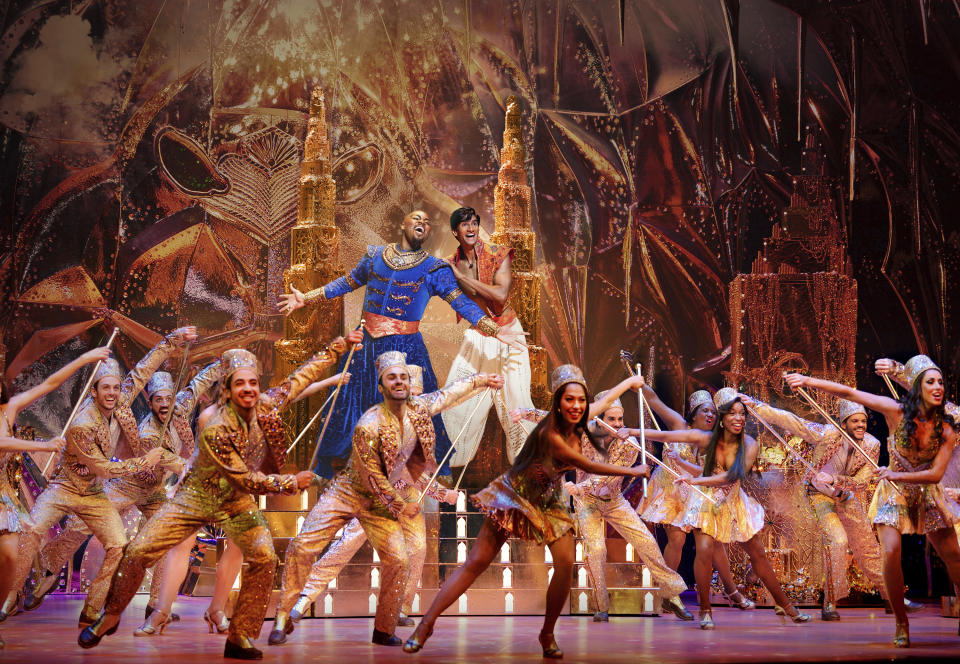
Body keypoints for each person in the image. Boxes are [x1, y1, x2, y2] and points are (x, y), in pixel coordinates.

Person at [79, 334, 357, 660]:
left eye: (253, 382)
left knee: (264, 556)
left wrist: (340, 345)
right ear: (227, 388)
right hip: (196, 495)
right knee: (140, 549)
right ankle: (112, 615)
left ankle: (239, 635)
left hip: (235, 500)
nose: (249, 389)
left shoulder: (265, 404)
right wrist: (290, 483)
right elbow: (243, 476)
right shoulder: (214, 423)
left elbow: (301, 378)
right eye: (241, 383)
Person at [403, 365, 651, 658]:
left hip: (548, 501)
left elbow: (602, 403)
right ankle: (426, 624)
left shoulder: (579, 420)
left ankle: (547, 634)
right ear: (558, 401)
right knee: (476, 562)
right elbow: (586, 465)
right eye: (569, 400)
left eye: (581, 400)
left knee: (564, 563)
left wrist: (629, 382)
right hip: (515, 495)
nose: (576, 406)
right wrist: (633, 470)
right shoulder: (551, 432)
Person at [271, 352, 500, 647]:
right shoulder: (369, 423)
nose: (401, 382)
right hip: (352, 492)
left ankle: (385, 627)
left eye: (404, 377)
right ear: (381, 386)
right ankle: (286, 613)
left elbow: (449, 394)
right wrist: (403, 506)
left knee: (401, 558)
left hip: (388, 501)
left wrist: (483, 380)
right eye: (393, 377)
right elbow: (373, 478)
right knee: (304, 546)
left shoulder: (420, 411)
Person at [277, 208, 526, 478]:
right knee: (346, 405)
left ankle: (427, 478)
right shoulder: (374, 256)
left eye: (427, 221)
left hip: (407, 350)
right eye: (417, 218)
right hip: (366, 346)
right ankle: (331, 475)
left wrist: (492, 328)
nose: (422, 222)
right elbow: (346, 283)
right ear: (403, 224)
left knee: (418, 413)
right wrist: (307, 297)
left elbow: (461, 302)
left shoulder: (434, 268)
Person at [138, 369, 352, 636]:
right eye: (236, 385)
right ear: (224, 390)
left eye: (249, 384)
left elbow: (292, 391)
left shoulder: (256, 406)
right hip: (205, 486)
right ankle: (160, 613)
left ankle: (216, 610)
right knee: (183, 543)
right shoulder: (209, 417)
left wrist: (331, 380)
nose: (244, 391)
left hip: (236, 489)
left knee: (241, 544)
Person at [5, 328, 195, 627]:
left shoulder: (138, 405)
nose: (112, 393)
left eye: (116, 388)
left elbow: (147, 368)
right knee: (75, 527)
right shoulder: (86, 421)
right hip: (107, 481)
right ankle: (44, 575)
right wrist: (156, 462)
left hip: (150, 487)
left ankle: (156, 606)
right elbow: (114, 465)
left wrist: (174, 340)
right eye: (105, 388)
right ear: (94, 390)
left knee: (163, 540)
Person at [785, 358, 960, 647]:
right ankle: (901, 623)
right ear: (917, 386)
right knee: (890, 551)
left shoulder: (947, 428)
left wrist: (893, 472)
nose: (938, 387)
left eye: (941, 382)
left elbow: (936, 474)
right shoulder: (896, 411)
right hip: (893, 493)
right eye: (930, 382)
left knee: (953, 557)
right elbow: (851, 394)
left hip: (927, 493)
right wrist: (809, 381)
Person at [276, 365, 447, 630]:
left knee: (416, 551)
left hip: (408, 498)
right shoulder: (379, 422)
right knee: (343, 547)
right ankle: (303, 599)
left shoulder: (420, 424)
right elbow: (382, 471)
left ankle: (401, 607)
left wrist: (441, 493)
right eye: (408, 392)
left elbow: (418, 473)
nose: (411, 399)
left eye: (416, 394)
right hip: (374, 497)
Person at [628, 388, 813, 629]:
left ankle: (787, 606)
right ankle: (705, 609)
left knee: (757, 553)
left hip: (735, 503)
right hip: (707, 503)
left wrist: (696, 481)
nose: (738, 418)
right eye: (732, 414)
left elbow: (730, 477)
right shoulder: (707, 439)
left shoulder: (749, 444)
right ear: (723, 417)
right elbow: (666, 436)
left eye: (742, 413)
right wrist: (631, 432)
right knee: (704, 549)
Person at [738, 393, 904, 620]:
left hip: (845, 495)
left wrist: (836, 480)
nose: (860, 425)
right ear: (844, 422)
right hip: (818, 495)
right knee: (837, 540)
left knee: (868, 546)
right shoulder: (827, 435)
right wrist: (757, 406)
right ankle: (830, 603)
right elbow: (792, 421)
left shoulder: (872, 444)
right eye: (855, 421)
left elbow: (863, 482)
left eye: (863, 421)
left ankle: (891, 596)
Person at [0, 345, 111, 647]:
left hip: (2, 497)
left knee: (11, 557)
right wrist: (44, 446)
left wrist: (85, 359)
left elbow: (50, 384)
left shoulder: (7, 410)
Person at [565, 389, 690, 622]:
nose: (617, 424)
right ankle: (601, 607)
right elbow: (554, 418)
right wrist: (523, 413)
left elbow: (609, 477)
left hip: (614, 501)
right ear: (598, 419)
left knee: (647, 542)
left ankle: (672, 597)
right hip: (587, 503)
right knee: (597, 551)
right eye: (611, 419)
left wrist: (581, 487)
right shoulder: (583, 434)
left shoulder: (629, 444)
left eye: (620, 419)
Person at [639, 387, 755, 610]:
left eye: (714, 412)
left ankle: (732, 592)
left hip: (696, 490)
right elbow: (654, 400)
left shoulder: (713, 441)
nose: (711, 416)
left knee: (715, 542)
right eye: (705, 411)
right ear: (693, 414)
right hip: (670, 491)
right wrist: (639, 383)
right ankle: (667, 594)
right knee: (678, 540)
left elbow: (707, 474)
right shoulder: (678, 425)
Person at [442, 206, 537, 466]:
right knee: (456, 402)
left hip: (509, 333)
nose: (471, 228)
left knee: (517, 404)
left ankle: (527, 477)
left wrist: (464, 278)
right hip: (478, 337)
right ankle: (447, 476)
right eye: (464, 225)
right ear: (455, 231)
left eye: (474, 223)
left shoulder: (498, 253)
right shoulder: (449, 264)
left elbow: (500, 295)